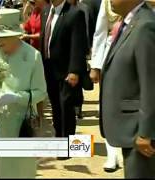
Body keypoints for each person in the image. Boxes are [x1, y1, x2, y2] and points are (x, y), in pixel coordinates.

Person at [0, 8, 47, 178]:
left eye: (3, 37)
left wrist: (16, 97)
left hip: (18, 126)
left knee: (17, 172)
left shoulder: (32, 56)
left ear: (16, 34)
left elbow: (41, 92)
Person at [100, 0, 155, 178]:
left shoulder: (145, 26)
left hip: (139, 132)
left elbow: (150, 83)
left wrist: (146, 132)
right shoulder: (130, 22)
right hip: (130, 129)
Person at [40, 0, 88, 144]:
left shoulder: (74, 13)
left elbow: (78, 44)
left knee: (65, 106)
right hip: (49, 68)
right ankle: (59, 137)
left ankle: (67, 143)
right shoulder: (46, 11)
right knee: (55, 106)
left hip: (66, 70)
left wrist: (74, 70)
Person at [90, 0, 121, 172]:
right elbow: (100, 33)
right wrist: (96, 65)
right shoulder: (108, 2)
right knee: (108, 107)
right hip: (112, 55)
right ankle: (112, 154)